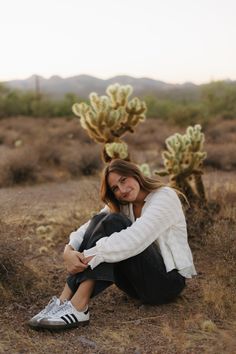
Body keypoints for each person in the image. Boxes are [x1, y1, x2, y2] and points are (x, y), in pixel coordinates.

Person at [28, 159, 197, 331]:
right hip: (136, 286)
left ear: (135, 174)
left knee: (114, 223)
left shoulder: (164, 197)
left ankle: (79, 306)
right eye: (115, 188)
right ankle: (63, 301)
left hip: (166, 284)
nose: (122, 190)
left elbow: (135, 239)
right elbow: (89, 226)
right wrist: (68, 251)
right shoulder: (124, 204)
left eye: (123, 180)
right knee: (101, 219)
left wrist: (88, 256)